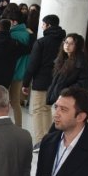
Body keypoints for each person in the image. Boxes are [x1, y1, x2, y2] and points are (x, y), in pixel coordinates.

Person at [23, 14, 66, 145]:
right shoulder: (63, 41)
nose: (42, 26)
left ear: (48, 25)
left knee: (37, 109)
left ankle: (40, 140)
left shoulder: (41, 42)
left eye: (43, 24)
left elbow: (32, 64)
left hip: (41, 81)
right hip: (56, 81)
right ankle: (49, 139)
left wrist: (26, 83)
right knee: (47, 109)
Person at [0, 20, 29, 127]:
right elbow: (28, 49)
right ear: (9, 29)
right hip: (6, 79)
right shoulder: (14, 44)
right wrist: (32, 35)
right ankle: (5, 126)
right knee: (2, 103)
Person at [45, 33, 88, 115]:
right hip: (59, 99)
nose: (67, 45)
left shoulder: (81, 64)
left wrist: (65, 92)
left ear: (78, 46)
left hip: (69, 101)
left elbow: (83, 85)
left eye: (71, 44)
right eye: (66, 42)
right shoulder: (62, 60)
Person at [6, 6, 33, 125]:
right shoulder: (28, 34)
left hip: (9, 71)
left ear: (14, 22)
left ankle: (3, 128)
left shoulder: (12, 35)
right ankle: (19, 127)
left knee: (2, 102)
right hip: (21, 72)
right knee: (16, 103)